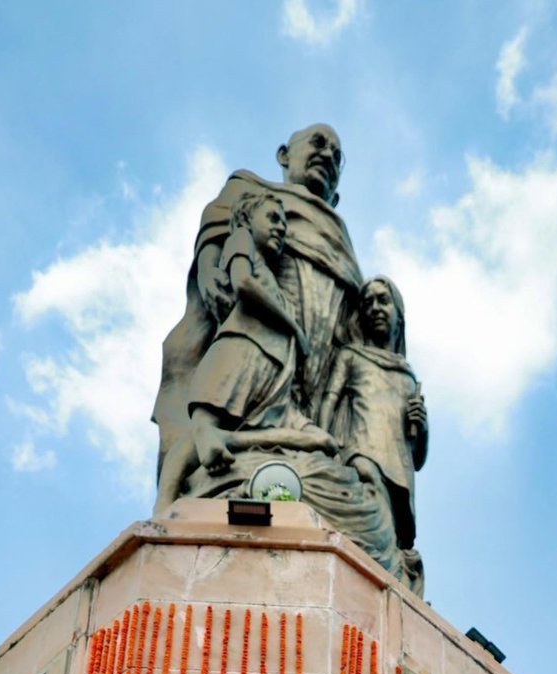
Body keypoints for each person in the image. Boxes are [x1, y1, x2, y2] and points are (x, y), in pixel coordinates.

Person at [152, 124, 363, 479]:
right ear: (284, 155)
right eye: (318, 143)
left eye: (337, 155)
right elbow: (217, 230)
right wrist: (208, 270)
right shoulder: (251, 191)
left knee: (314, 437)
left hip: (314, 364)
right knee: (231, 407)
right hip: (255, 337)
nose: (327, 154)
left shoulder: (339, 232)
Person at [154, 191, 336, 511]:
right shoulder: (240, 239)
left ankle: (234, 442)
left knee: (322, 442)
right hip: (240, 351)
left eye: (284, 224)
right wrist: (294, 328)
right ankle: (164, 506)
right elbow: (243, 284)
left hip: (270, 367)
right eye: (273, 218)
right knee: (202, 430)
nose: (280, 228)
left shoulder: (271, 276)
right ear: (245, 219)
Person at [317, 276, 427, 549]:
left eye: (383, 300)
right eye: (368, 303)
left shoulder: (408, 376)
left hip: (398, 468)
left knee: (389, 534)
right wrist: (323, 443)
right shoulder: (351, 356)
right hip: (360, 452)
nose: (375, 308)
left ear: (398, 314)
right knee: (370, 509)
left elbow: (417, 457)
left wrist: (422, 427)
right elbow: (329, 400)